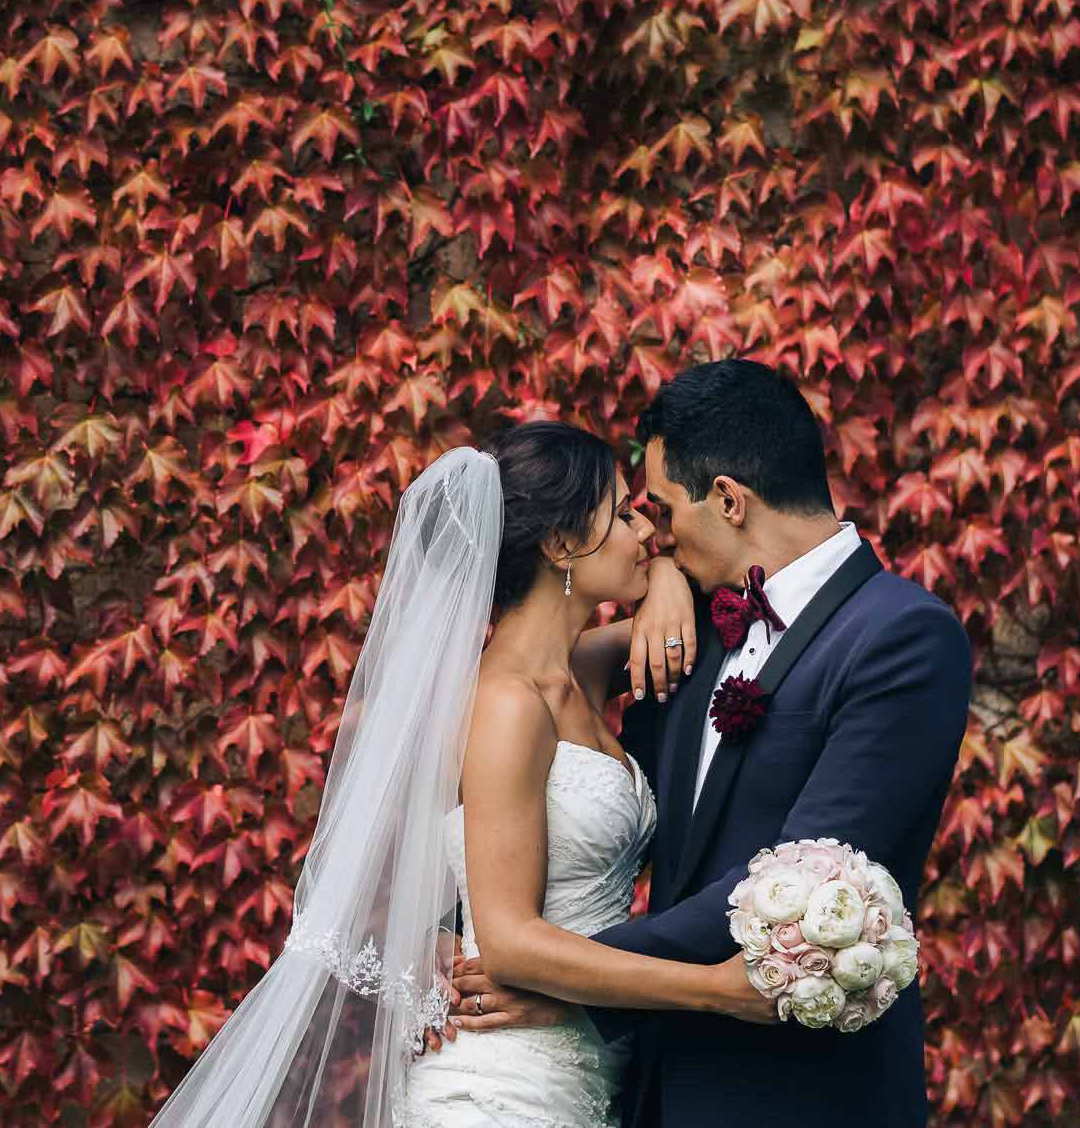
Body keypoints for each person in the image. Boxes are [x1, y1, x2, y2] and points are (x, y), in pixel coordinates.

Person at [149, 420, 772, 1128]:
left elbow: (698, 614)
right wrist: (714, 990)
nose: (647, 532)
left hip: (581, 1075)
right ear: (562, 544)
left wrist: (663, 576)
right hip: (501, 1088)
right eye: (624, 514)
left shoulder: (581, 673)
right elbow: (508, 940)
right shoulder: (507, 704)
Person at [443, 360, 973, 1128]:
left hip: (794, 1093)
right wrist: (447, 938)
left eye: (657, 510)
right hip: (636, 1084)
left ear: (728, 499)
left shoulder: (902, 638)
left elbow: (808, 877)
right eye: (635, 518)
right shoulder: (687, 623)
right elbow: (471, 797)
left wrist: (566, 978)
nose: (652, 534)